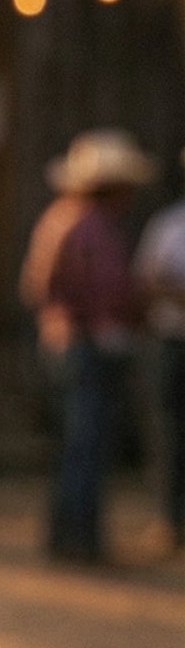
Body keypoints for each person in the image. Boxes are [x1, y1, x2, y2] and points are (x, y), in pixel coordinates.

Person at [20, 128, 153, 563]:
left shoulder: (78, 221)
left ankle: (73, 535)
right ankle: (79, 539)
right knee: (84, 445)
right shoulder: (82, 224)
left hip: (80, 346)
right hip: (82, 348)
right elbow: (49, 287)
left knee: (79, 445)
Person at [134, 168, 185, 552]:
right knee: (170, 432)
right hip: (173, 341)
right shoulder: (170, 225)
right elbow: (147, 282)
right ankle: (172, 520)